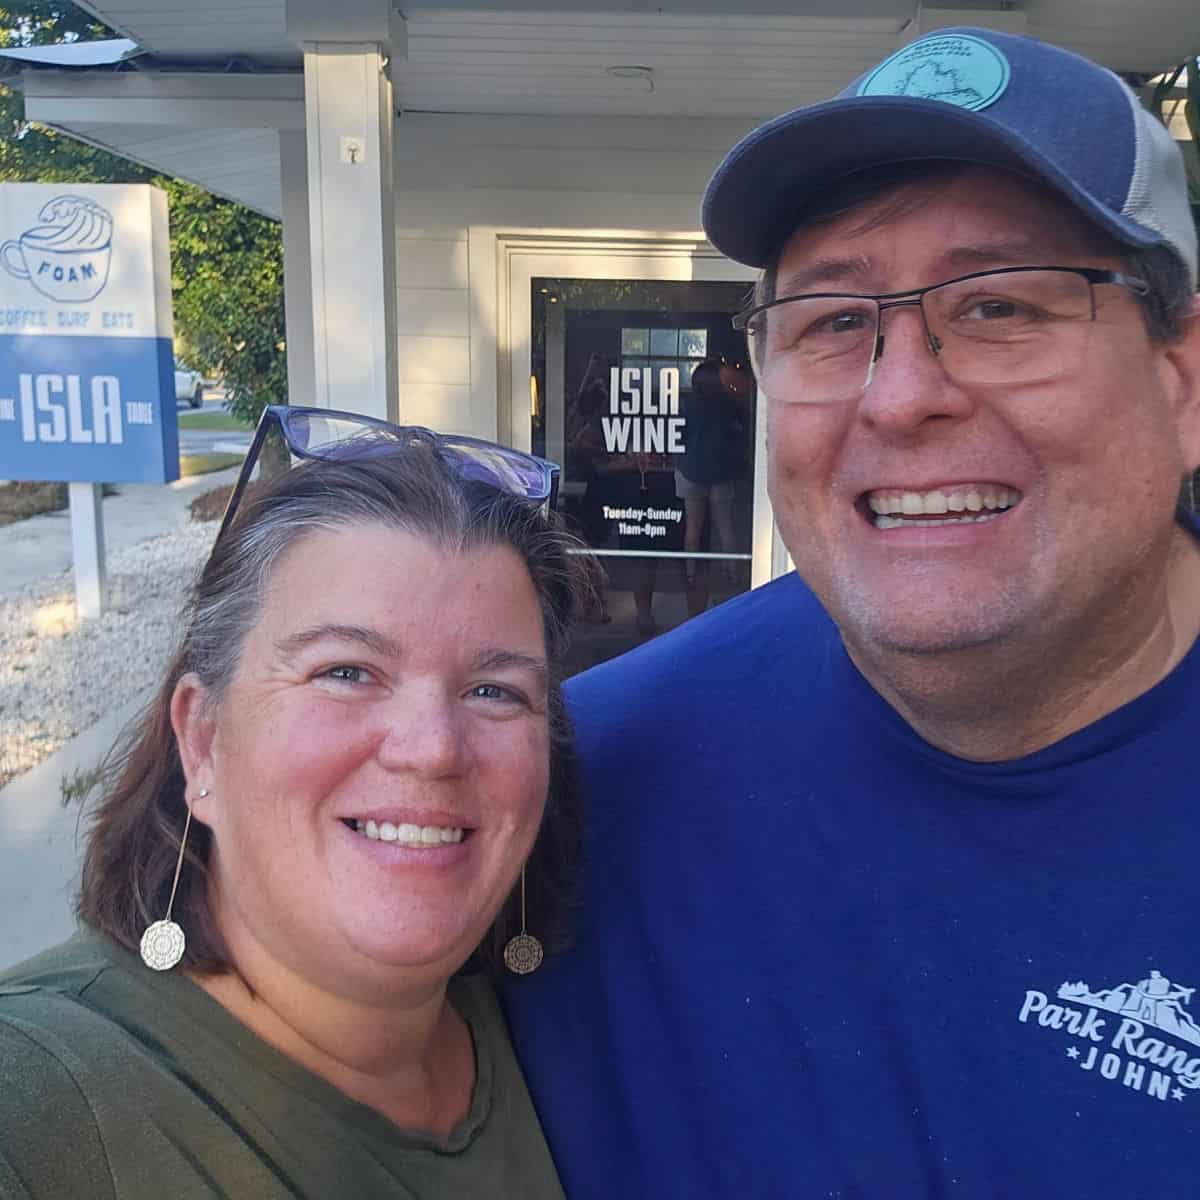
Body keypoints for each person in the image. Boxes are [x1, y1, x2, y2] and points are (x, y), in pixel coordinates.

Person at [505, 26, 1200, 1198]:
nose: (902, 395)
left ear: (1182, 381)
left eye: (999, 307)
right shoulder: (572, 784)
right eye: (832, 321)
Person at [0, 406, 588, 1198]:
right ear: (203, 738)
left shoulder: (551, 1036)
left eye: (495, 690)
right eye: (346, 671)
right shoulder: (40, 1101)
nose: (433, 748)